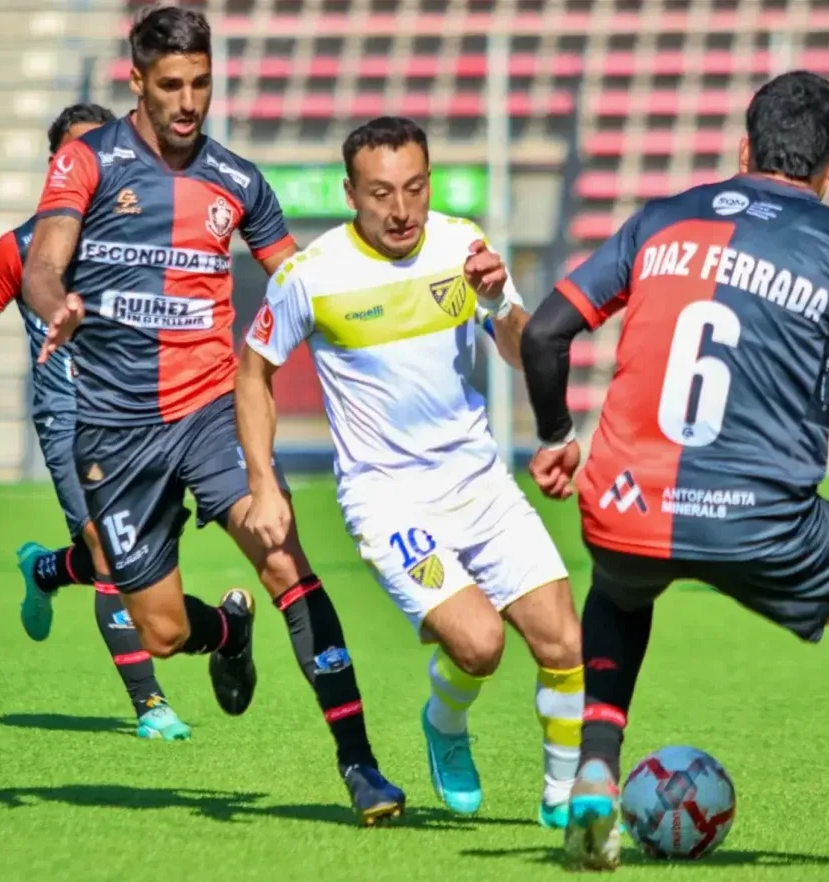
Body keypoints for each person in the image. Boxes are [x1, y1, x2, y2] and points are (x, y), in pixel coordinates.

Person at [519, 70, 829, 873]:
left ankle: (595, 768)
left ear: (744, 149)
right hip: (760, 519)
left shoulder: (660, 220)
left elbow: (543, 336)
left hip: (626, 501)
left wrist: (558, 435)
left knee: (621, 588)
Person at [21, 5, 403, 823]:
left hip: (210, 413)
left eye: (201, 83)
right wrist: (57, 305)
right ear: (137, 81)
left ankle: (362, 765)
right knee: (160, 632)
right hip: (115, 432)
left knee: (284, 559)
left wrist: (395, 296)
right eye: (171, 85)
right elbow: (43, 265)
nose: (189, 102)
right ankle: (227, 634)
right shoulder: (87, 162)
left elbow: (305, 284)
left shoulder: (239, 181)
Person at [235, 116, 584, 827]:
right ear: (350, 194)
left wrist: (498, 301)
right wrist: (263, 482)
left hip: (481, 485)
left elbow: (522, 351)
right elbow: (253, 372)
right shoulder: (312, 276)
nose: (401, 209)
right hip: (388, 501)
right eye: (381, 193)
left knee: (566, 644)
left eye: (415, 188)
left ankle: (565, 800)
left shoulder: (462, 246)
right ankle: (445, 724)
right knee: (480, 645)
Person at [0, 103, 191, 741]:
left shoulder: (146, 236)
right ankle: (150, 704)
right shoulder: (19, 249)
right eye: (77, 156)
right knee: (107, 549)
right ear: (55, 167)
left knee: (135, 553)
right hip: (67, 420)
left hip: (141, 419)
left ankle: (44, 570)